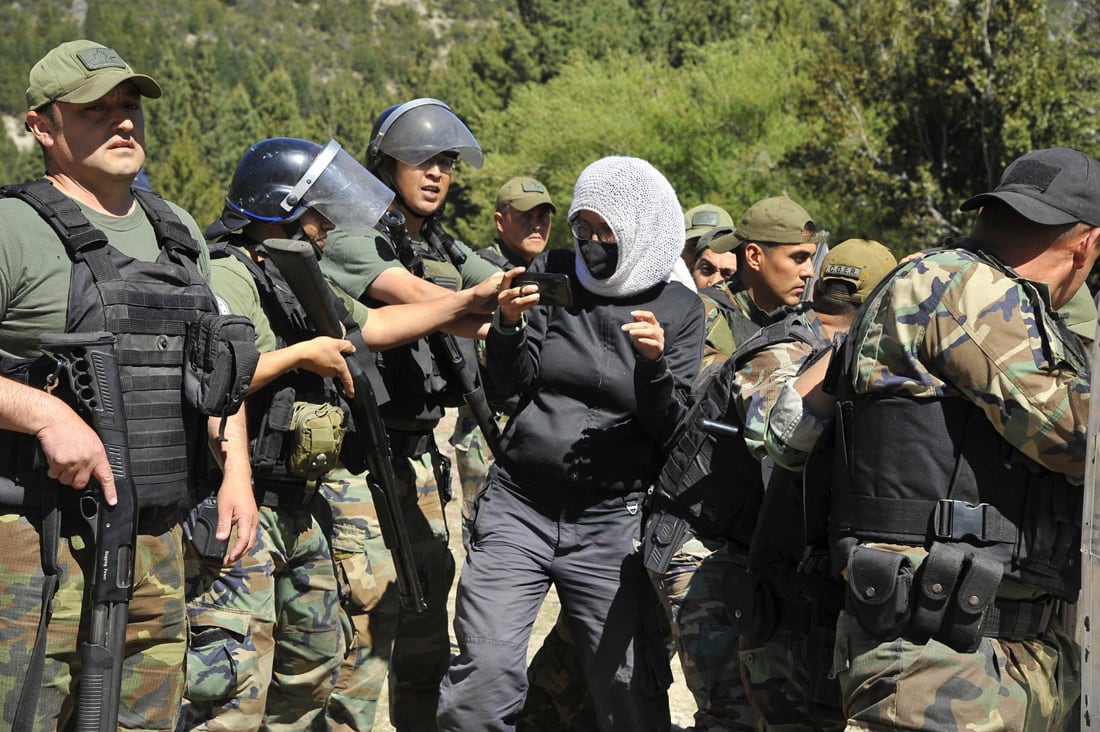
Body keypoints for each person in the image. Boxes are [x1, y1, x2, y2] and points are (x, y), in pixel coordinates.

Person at [179, 137, 507, 730]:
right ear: (280, 210)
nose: (328, 225)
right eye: (317, 213)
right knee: (232, 682)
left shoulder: (296, 272)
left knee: (315, 664)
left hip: (301, 502)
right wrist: (302, 354)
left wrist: (468, 300)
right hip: (245, 495)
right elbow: (226, 377)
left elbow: (376, 325)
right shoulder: (231, 272)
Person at [0, 39, 258, 730]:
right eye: (94, 110)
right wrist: (41, 414)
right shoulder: (12, 229)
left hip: (158, 536)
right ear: (42, 127)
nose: (122, 122)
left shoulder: (178, 233)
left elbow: (216, 369)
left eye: (129, 105)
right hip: (35, 542)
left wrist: (237, 472)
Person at [823, 147, 1097, 729]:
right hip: (938, 658)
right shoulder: (960, 285)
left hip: (999, 647)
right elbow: (1076, 437)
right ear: (1085, 244)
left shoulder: (1000, 300)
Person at [437, 155, 705, 730]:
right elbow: (510, 391)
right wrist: (507, 328)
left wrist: (654, 367)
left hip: (612, 525)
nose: (590, 242)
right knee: (483, 678)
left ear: (639, 228)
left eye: (605, 231)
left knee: (629, 690)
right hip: (519, 508)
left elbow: (674, 429)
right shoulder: (552, 274)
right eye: (581, 228)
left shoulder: (680, 309)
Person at [318, 97, 501, 731]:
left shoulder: (442, 243)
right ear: (386, 166)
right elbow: (417, 296)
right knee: (367, 616)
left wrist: (535, 290)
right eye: (420, 160)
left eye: (446, 162)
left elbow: (498, 286)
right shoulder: (352, 237)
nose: (435, 174)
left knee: (427, 607)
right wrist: (483, 301)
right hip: (358, 457)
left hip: (420, 455)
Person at [641, 195, 822, 731]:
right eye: (797, 257)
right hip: (693, 536)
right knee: (727, 708)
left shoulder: (792, 324)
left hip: (737, 540)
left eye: (812, 258)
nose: (808, 271)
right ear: (754, 257)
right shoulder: (702, 313)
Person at [725, 239, 898, 730]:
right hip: (769, 586)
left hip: (812, 587)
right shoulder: (786, 348)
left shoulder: (872, 359)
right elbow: (768, 435)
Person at [451, 175, 556, 542]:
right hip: (489, 423)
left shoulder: (553, 274)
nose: (537, 224)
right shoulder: (480, 272)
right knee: (487, 532)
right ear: (500, 220)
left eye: (544, 215)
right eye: (526, 216)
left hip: (540, 423)